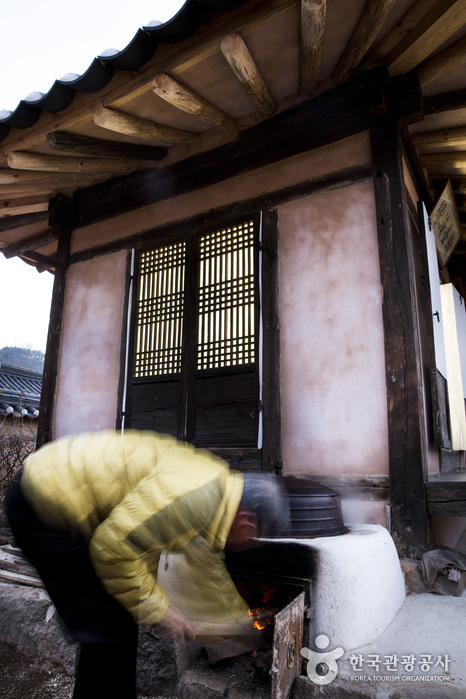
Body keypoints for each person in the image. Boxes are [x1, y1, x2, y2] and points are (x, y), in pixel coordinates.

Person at [4, 429, 290, 699]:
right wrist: (161, 611)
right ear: (247, 521)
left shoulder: (217, 493)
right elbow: (112, 548)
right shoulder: (192, 496)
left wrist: (244, 629)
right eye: (253, 540)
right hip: (41, 498)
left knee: (120, 616)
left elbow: (209, 574)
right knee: (107, 624)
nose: (250, 546)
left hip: (68, 498)